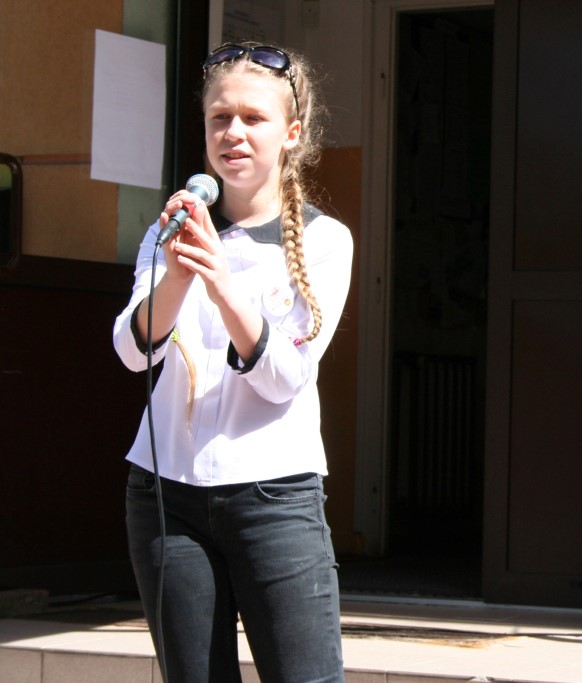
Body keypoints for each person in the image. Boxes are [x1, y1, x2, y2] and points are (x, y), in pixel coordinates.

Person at [113, 42, 352, 683]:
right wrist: (178, 273)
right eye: (220, 117)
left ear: (290, 134)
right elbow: (132, 350)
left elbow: (284, 378)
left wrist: (221, 281)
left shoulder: (325, 241)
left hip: (275, 497)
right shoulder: (168, 232)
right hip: (166, 493)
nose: (233, 133)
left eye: (253, 117)